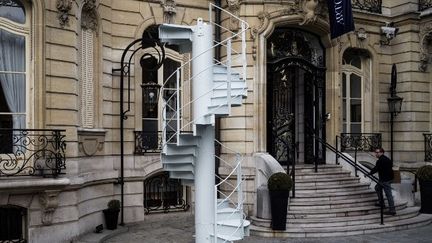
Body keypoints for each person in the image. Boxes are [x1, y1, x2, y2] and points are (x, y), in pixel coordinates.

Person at [369, 147, 396, 215]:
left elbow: (376, 168)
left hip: (385, 180)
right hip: (388, 178)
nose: (376, 154)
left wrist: (369, 173)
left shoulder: (380, 160)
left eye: (378, 152)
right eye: (376, 152)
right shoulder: (387, 159)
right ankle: (381, 203)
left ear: (382, 153)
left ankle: (392, 210)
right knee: (377, 188)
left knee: (388, 194)